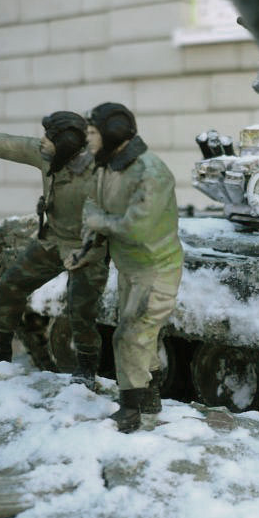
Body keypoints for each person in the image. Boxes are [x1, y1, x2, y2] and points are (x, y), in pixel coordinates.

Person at [0, 113, 109, 389]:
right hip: (51, 241)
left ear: (65, 144)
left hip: (87, 249)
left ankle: (86, 368)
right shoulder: (48, 155)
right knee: (10, 284)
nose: (42, 141)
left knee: (81, 310)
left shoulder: (98, 174)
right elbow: (14, 145)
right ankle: (0, 348)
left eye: (48, 137)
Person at [79, 102, 183, 433]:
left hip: (154, 270)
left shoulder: (151, 173)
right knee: (139, 339)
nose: (87, 139)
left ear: (113, 133)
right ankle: (148, 403)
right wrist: (87, 242)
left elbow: (138, 228)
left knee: (130, 337)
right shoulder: (107, 166)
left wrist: (100, 222)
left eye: (92, 132)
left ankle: (131, 409)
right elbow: (93, 204)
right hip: (130, 268)